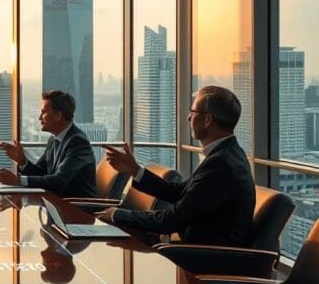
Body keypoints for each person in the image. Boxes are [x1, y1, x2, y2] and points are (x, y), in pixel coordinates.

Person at [97, 85, 255, 246]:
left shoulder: (222, 164)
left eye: (192, 113)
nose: (188, 118)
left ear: (207, 119)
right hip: (196, 249)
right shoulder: (228, 153)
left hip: (204, 257)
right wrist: (135, 170)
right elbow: (180, 192)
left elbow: (171, 220)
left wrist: (118, 215)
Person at [0, 90, 97, 198]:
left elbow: (59, 181)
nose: (39, 117)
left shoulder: (78, 142)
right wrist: (23, 162)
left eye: (44, 112)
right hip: (57, 202)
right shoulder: (53, 139)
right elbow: (42, 173)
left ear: (58, 116)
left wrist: (18, 180)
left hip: (77, 208)